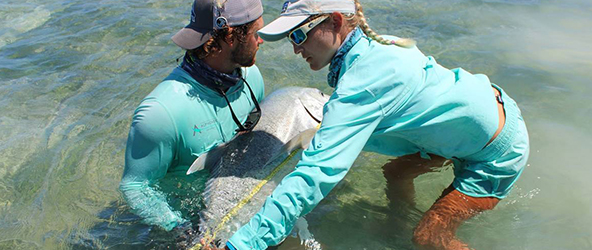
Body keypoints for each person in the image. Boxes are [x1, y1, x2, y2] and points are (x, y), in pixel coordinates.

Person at [211, 0, 530, 249]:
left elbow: (315, 175)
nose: (295, 48)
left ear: (335, 21)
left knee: (428, 238)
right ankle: (394, 231)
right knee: (395, 173)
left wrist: (240, 245)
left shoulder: (364, 83)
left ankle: (415, 231)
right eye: (290, 38)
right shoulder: (377, 46)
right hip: (489, 107)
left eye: (299, 34)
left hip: (497, 153)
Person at [119, 0, 265, 231]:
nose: (261, 40)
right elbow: (135, 187)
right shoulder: (160, 113)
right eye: (256, 33)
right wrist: (180, 230)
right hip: (182, 224)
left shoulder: (252, 78)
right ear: (230, 37)